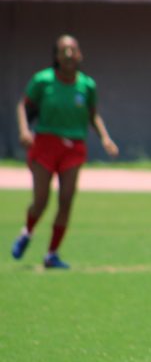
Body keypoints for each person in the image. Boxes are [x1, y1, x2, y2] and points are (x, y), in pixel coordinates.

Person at [11, 34, 118, 269]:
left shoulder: (87, 85)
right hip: (46, 144)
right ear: (56, 56)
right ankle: (27, 232)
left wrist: (105, 138)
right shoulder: (43, 80)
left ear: (80, 54)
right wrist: (24, 130)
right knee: (41, 201)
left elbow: (92, 114)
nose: (69, 54)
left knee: (66, 200)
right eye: (63, 50)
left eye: (73, 49)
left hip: (74, 145)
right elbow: (23, 105)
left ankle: (51, 254)